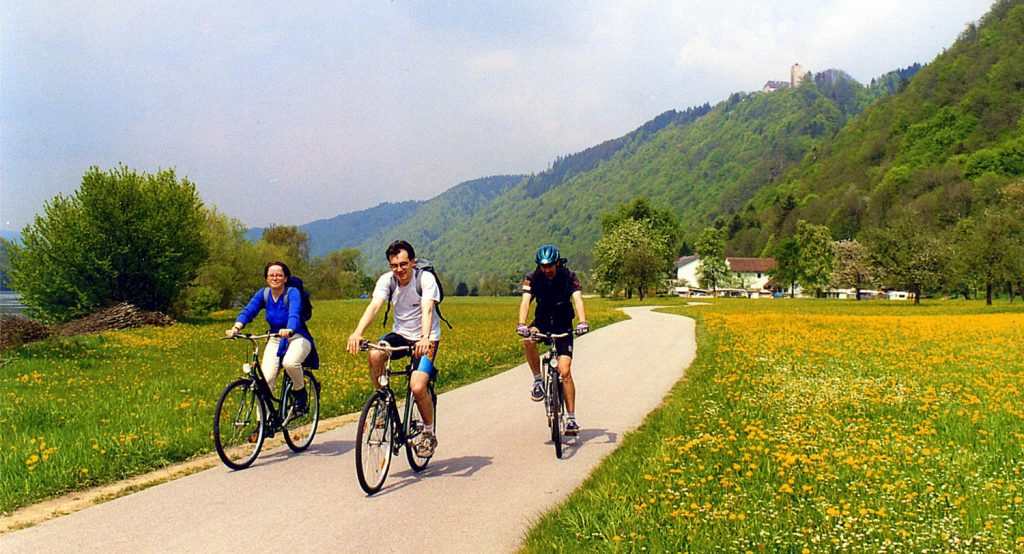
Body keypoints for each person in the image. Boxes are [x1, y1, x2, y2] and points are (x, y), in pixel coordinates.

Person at [347, 240, 440, 457]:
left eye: (403, 264)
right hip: (400, 334)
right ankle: (382, 401)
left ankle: (428, 433)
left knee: (417, 387)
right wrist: (357, 332)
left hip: (426, 338)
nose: (399, 270)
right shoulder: (387, 281)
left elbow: (427, 309)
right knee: (375, 352)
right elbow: (375, 306)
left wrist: (424, 338)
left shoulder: (425, 279)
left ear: (413, 263)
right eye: (394, 265)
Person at [226, 261, 319, 415]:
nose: (275, 278)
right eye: (271, 275)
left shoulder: (292, 293)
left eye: (279, 275)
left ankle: (300, 395)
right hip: (275, 338)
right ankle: (261, 424)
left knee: (290, 363)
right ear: (266, 278)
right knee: (265, 381)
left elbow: (294, 313)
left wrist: (290, 328)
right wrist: (236, 327)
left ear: (285, 278)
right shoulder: (263, 294)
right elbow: (249, 310)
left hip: (297, 336)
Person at [516, 243, 588, 435]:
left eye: (550, 266)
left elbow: (578, 300)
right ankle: (538, 380)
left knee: (565, 372)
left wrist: (582, 322)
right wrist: (522, 324)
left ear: (557, 263)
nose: (547, 270)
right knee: (529, 339)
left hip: (563, 324)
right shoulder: (532, 279)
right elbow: (525, 302)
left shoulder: (569, 277)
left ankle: (571, 419)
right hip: (543, 321)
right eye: (543, 266)